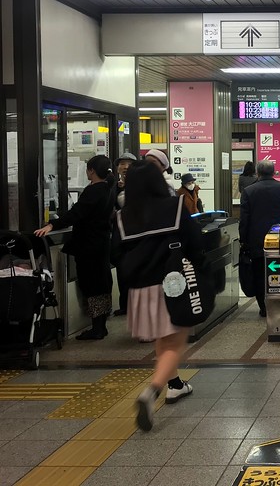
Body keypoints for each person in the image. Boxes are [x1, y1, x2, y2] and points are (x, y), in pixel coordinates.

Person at [111, 161, 202, 431]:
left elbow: (115, 254)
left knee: (163, 340)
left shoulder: (123, 216)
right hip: (172, 283)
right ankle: (151, 391)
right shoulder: (173, 207)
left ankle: (175, 385)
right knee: (176, 341)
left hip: (140, 289)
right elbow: (194, 241)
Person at [35, 155, 116, 340]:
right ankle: (100, 326)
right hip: (101, 244)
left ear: (91, 171)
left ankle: (97, 328)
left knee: (91, 284)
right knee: (101, 284)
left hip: (89, 246)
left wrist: (52, 225)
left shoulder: (94, 190)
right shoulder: (108, 189)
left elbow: (77, 213)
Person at [239, 161, 280, 317]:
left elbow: (244, 219)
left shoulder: (248, 191)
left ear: (258, 172)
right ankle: (278, 304)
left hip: (256, 240)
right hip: (279, 237)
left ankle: (263, 308)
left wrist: (243, 240)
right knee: (278, 270)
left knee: (259, 274)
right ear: (273, 172)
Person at [112, 152, 138, 317]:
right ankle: (125, 305)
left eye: (129, 163)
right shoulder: (114, 186)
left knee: (134, 271)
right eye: (122, 163)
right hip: (119, 235)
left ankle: (135, 305)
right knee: (122, 270)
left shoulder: (140, 185)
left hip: (135, 235)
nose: (125, 166)